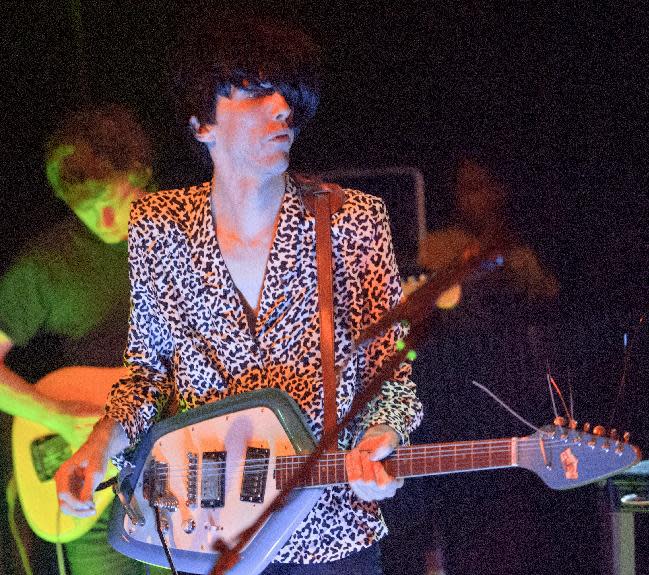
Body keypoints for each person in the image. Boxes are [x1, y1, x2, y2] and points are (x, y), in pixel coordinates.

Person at [55, 18, 423, 574]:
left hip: (327, 531)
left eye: (290, 95)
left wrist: (379, 441)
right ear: (202, 123)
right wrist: (96, 449)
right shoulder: (158, 226)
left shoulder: (352, 220)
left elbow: (391, 378)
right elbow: (146, 377)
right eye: (254, 91)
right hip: (206, 534)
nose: (282, 108)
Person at [0, 104, 162, 574]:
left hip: (178, 477)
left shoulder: (189, 238)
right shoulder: (46, 267)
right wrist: (59, 416)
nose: (106, 218)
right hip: (88, 488)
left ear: (141, 172)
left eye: (114, 196)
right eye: (86, 208)